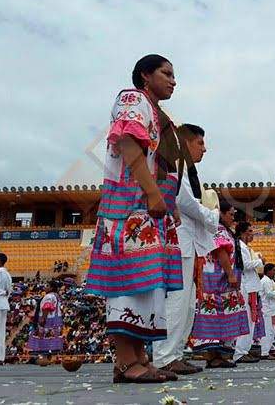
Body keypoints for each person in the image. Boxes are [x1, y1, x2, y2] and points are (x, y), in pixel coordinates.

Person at [85, 54, 183, 383]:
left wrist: (165, 200)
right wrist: (153, 193)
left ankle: (139, 357)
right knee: (129, 281)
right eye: (166, 73)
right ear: (145, 75)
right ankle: (126, 360)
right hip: (130, 202)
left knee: (146, 283)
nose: (173, 80)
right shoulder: (132, 98)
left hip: (146, 206)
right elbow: (127, 142)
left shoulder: (155, 111)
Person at [153, 123, 218, 375]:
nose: (204, 149)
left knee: (187, 304)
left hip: (188, 241)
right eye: (200, 143)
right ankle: (163, 357)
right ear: (186, 142)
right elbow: (182, 200)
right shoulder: (175, 164)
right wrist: (211, 216)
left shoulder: (187, 170)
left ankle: (176, 353)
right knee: (176, 302)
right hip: (177, 239)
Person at [190, 199, 249, 368]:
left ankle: (219, 355)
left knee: (222, 314)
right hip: (218, 278)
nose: (233, 217)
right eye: (230, 214)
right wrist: (230, 274)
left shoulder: (223, 230)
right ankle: (214, 355)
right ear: (221, 213)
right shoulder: (218, 230)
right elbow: (221, 251)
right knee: (217, 313)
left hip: (218, 277)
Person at [233, 221, 266, 364]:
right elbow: (244, 265)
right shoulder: (240, 246)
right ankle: (240, 352)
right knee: (246, 319)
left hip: (251, 286)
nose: (253, 233)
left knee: (251, 320)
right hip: (246, 286)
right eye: (250, 231)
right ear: (244, 233)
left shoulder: (245, 247)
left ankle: (244, 350)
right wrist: (260, 261)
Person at [26, 280, 64, 357]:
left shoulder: (49, 296)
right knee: (52, 337)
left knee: (44, 335)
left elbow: (47, 307)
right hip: (55, 318)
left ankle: (44, 353)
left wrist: (43, 318)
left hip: (47, 319)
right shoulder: (56, 295)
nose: (45, 287)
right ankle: (50, 353)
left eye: (47, 286)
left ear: (51, 288)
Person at [259, 263, 275, 360]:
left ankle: (266, 351)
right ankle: (264, 352)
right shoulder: (266, 281)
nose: (274, 272)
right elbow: (269, 294)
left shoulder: (269, 281)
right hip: (267, 309)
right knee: (268, 331)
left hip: (270, 309)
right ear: (268, 271)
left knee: (271, 331)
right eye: (273, 270)